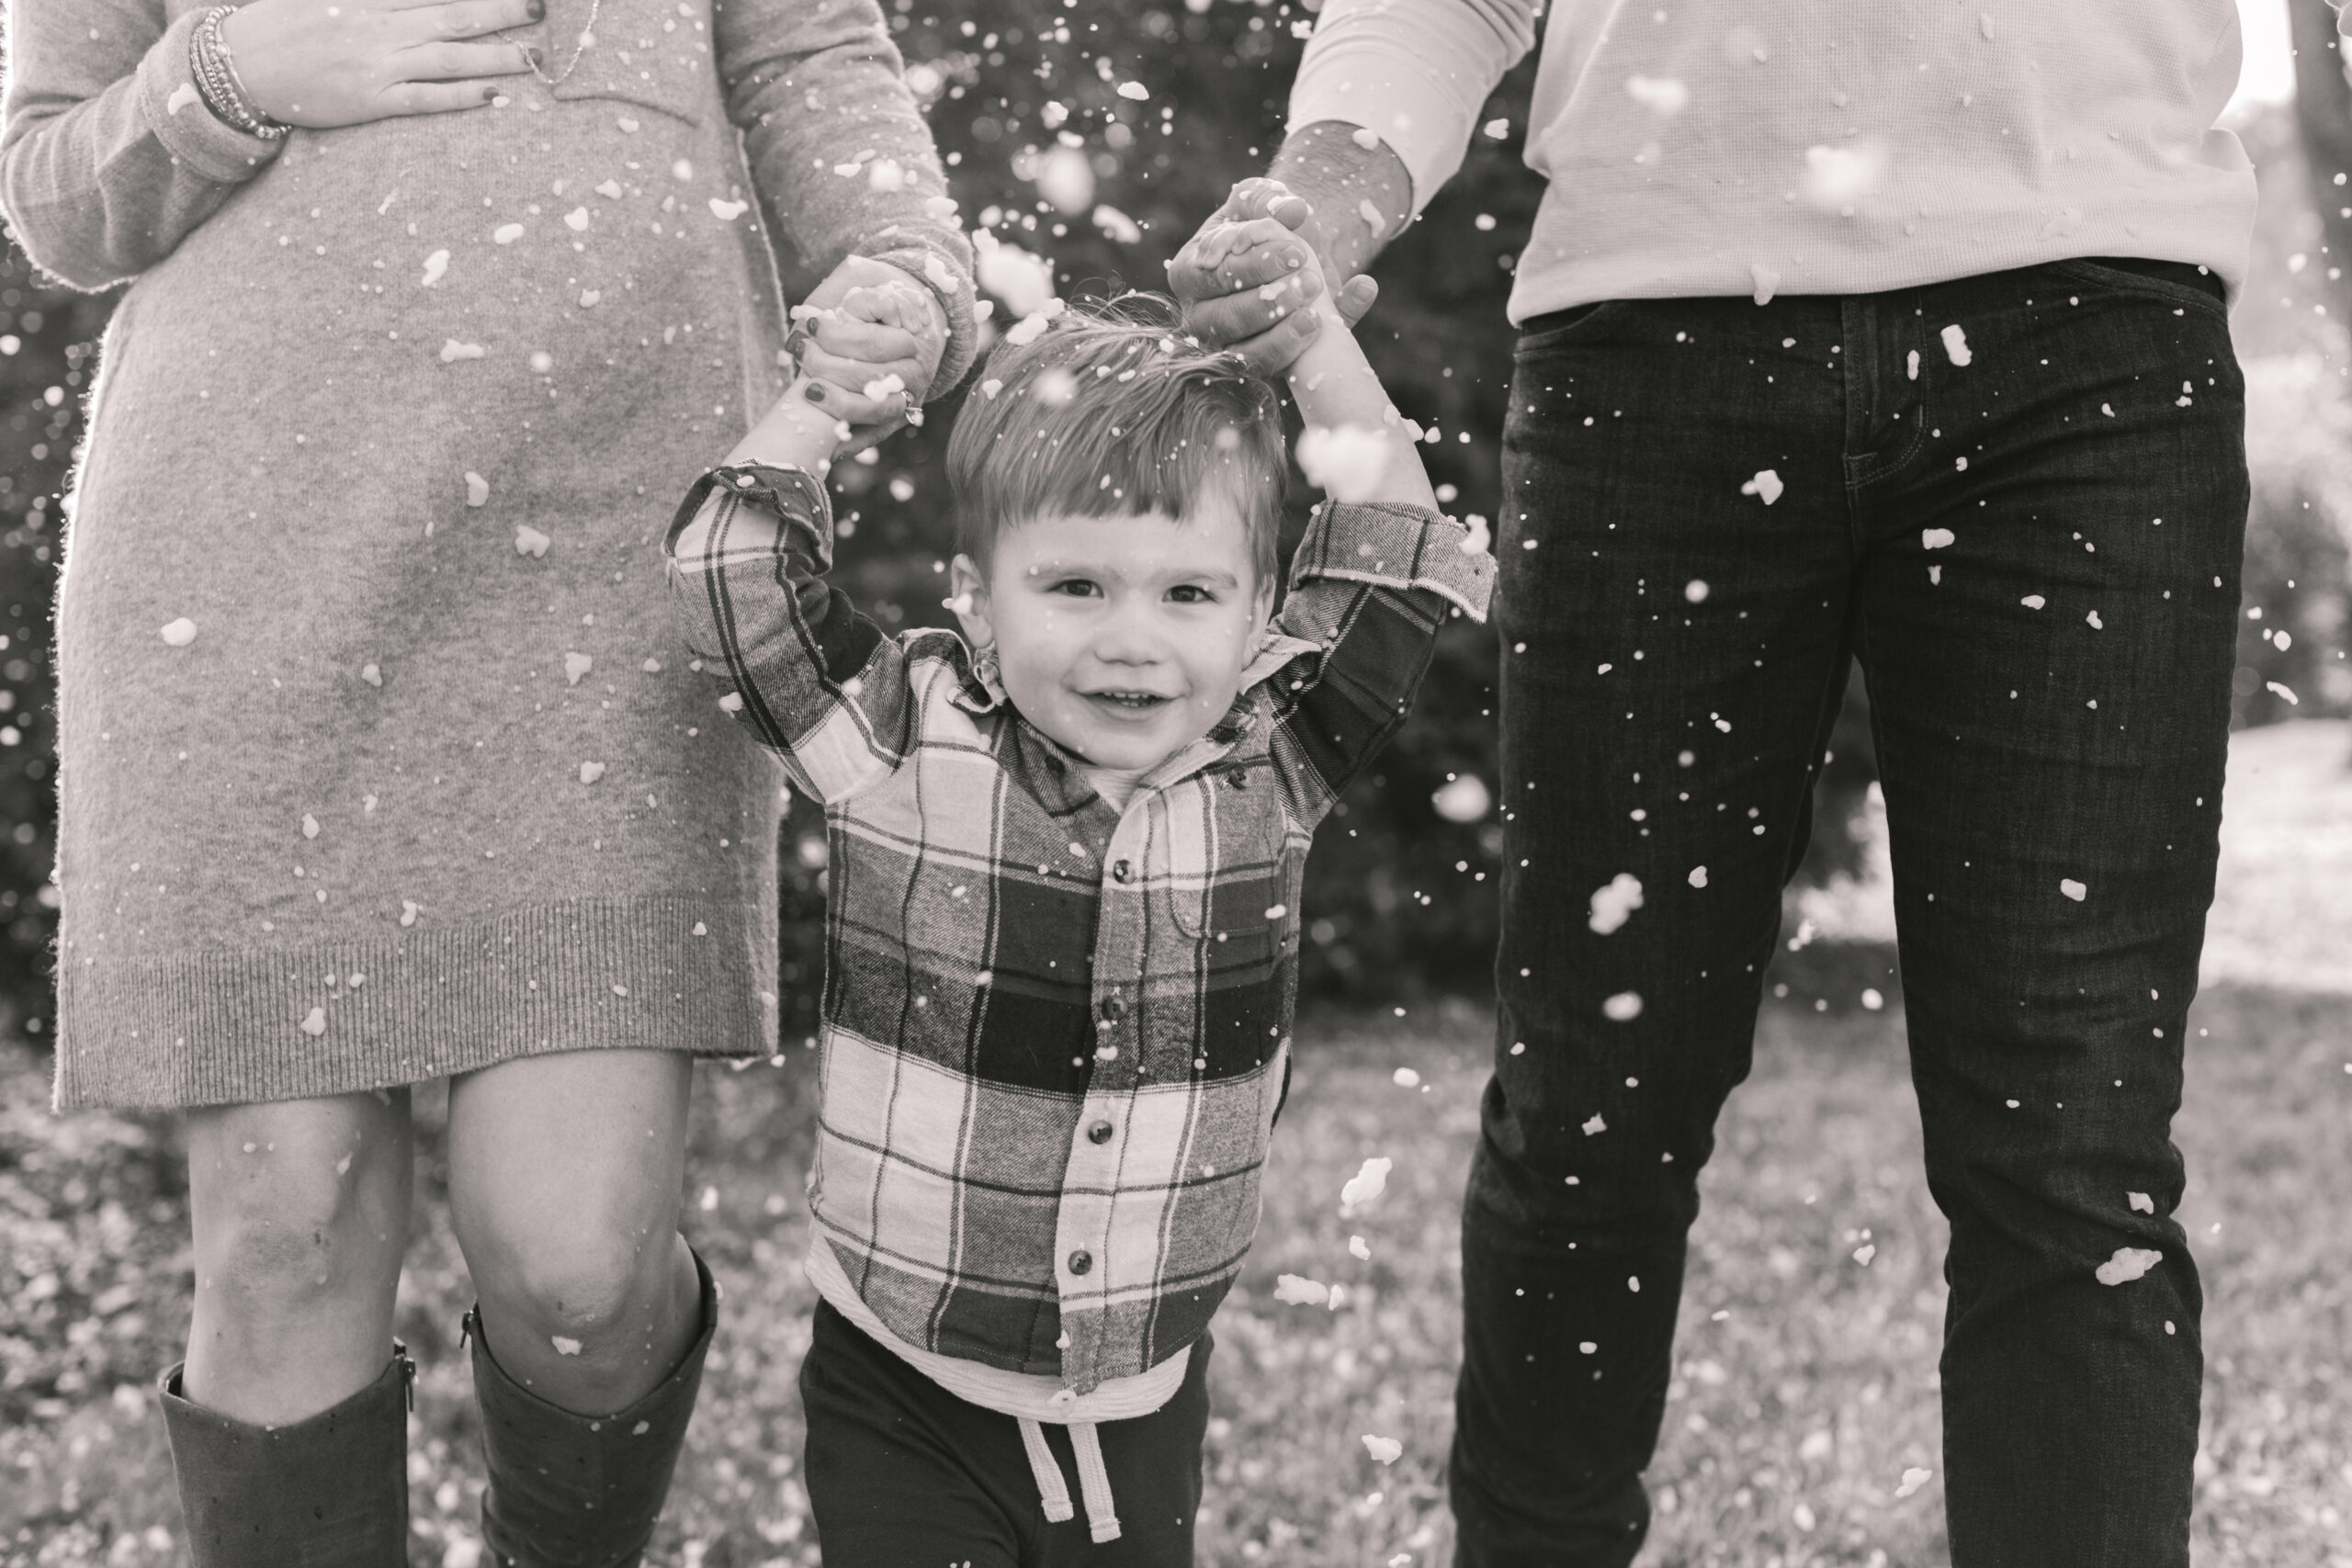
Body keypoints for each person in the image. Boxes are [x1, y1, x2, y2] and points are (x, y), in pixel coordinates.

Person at [1167, 4, 2257, 1563]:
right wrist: (1326, 187)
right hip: (1657, 332)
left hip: (2091, 332)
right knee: (1593, 1106)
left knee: (2070, 1139)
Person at [0, 0, 973, 1561]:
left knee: (579, 1273)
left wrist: (903, 266)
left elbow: (810, 61)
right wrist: (227, 77)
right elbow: (54, 190)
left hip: (609, 566)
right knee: (284, 1230)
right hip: (243, 558)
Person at [662, 270, 1492, 1565]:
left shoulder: (1273, 765)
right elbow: (730, 570)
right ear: (979, 599)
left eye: (1187, 595)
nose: (1133, 643)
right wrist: (825, 406)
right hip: (903, 1383)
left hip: (1142, 1389)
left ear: (1262, 610)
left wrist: (1313, 340)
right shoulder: (902, 738)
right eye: (1077, 587)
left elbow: (1400, 550)